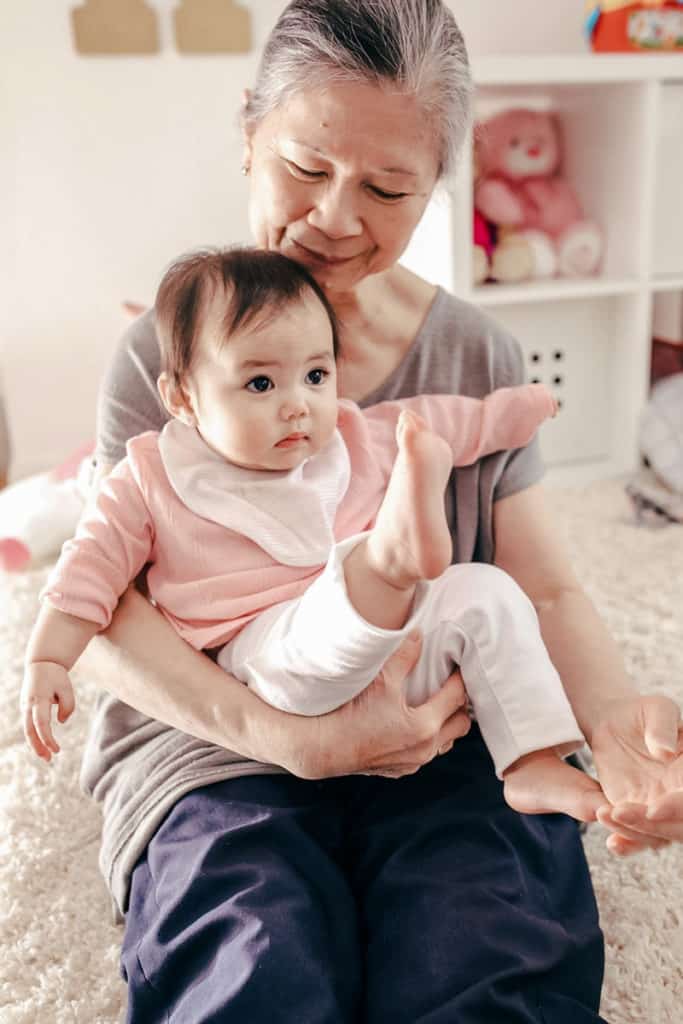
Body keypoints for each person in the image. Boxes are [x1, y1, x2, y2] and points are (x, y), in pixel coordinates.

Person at [34, 2, 682, 1020]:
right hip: (217, 735)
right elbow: (102, 609)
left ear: (436, 187)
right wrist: (287, 739)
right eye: (304, 168)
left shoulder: (474, 358)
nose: (335, 216)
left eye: (386, 187)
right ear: (246, 135)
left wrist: (608, 729)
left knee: (493, 956)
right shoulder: (162, 358)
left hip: (433, 715)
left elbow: (543, 584)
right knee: (251, 963)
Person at [22, 246, 585, 809]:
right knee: (347, 594)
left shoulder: (355, 435)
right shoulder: (150, 478)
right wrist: (48, 658)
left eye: (316, 375)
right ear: (182, 398)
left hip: (399, 664)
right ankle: (392, 554)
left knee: (485, 592)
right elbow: (88, 569)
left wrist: (518, 410)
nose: (298, 405)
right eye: (261, 385)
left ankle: (532, 761)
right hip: (270, 667)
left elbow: (454, 420)